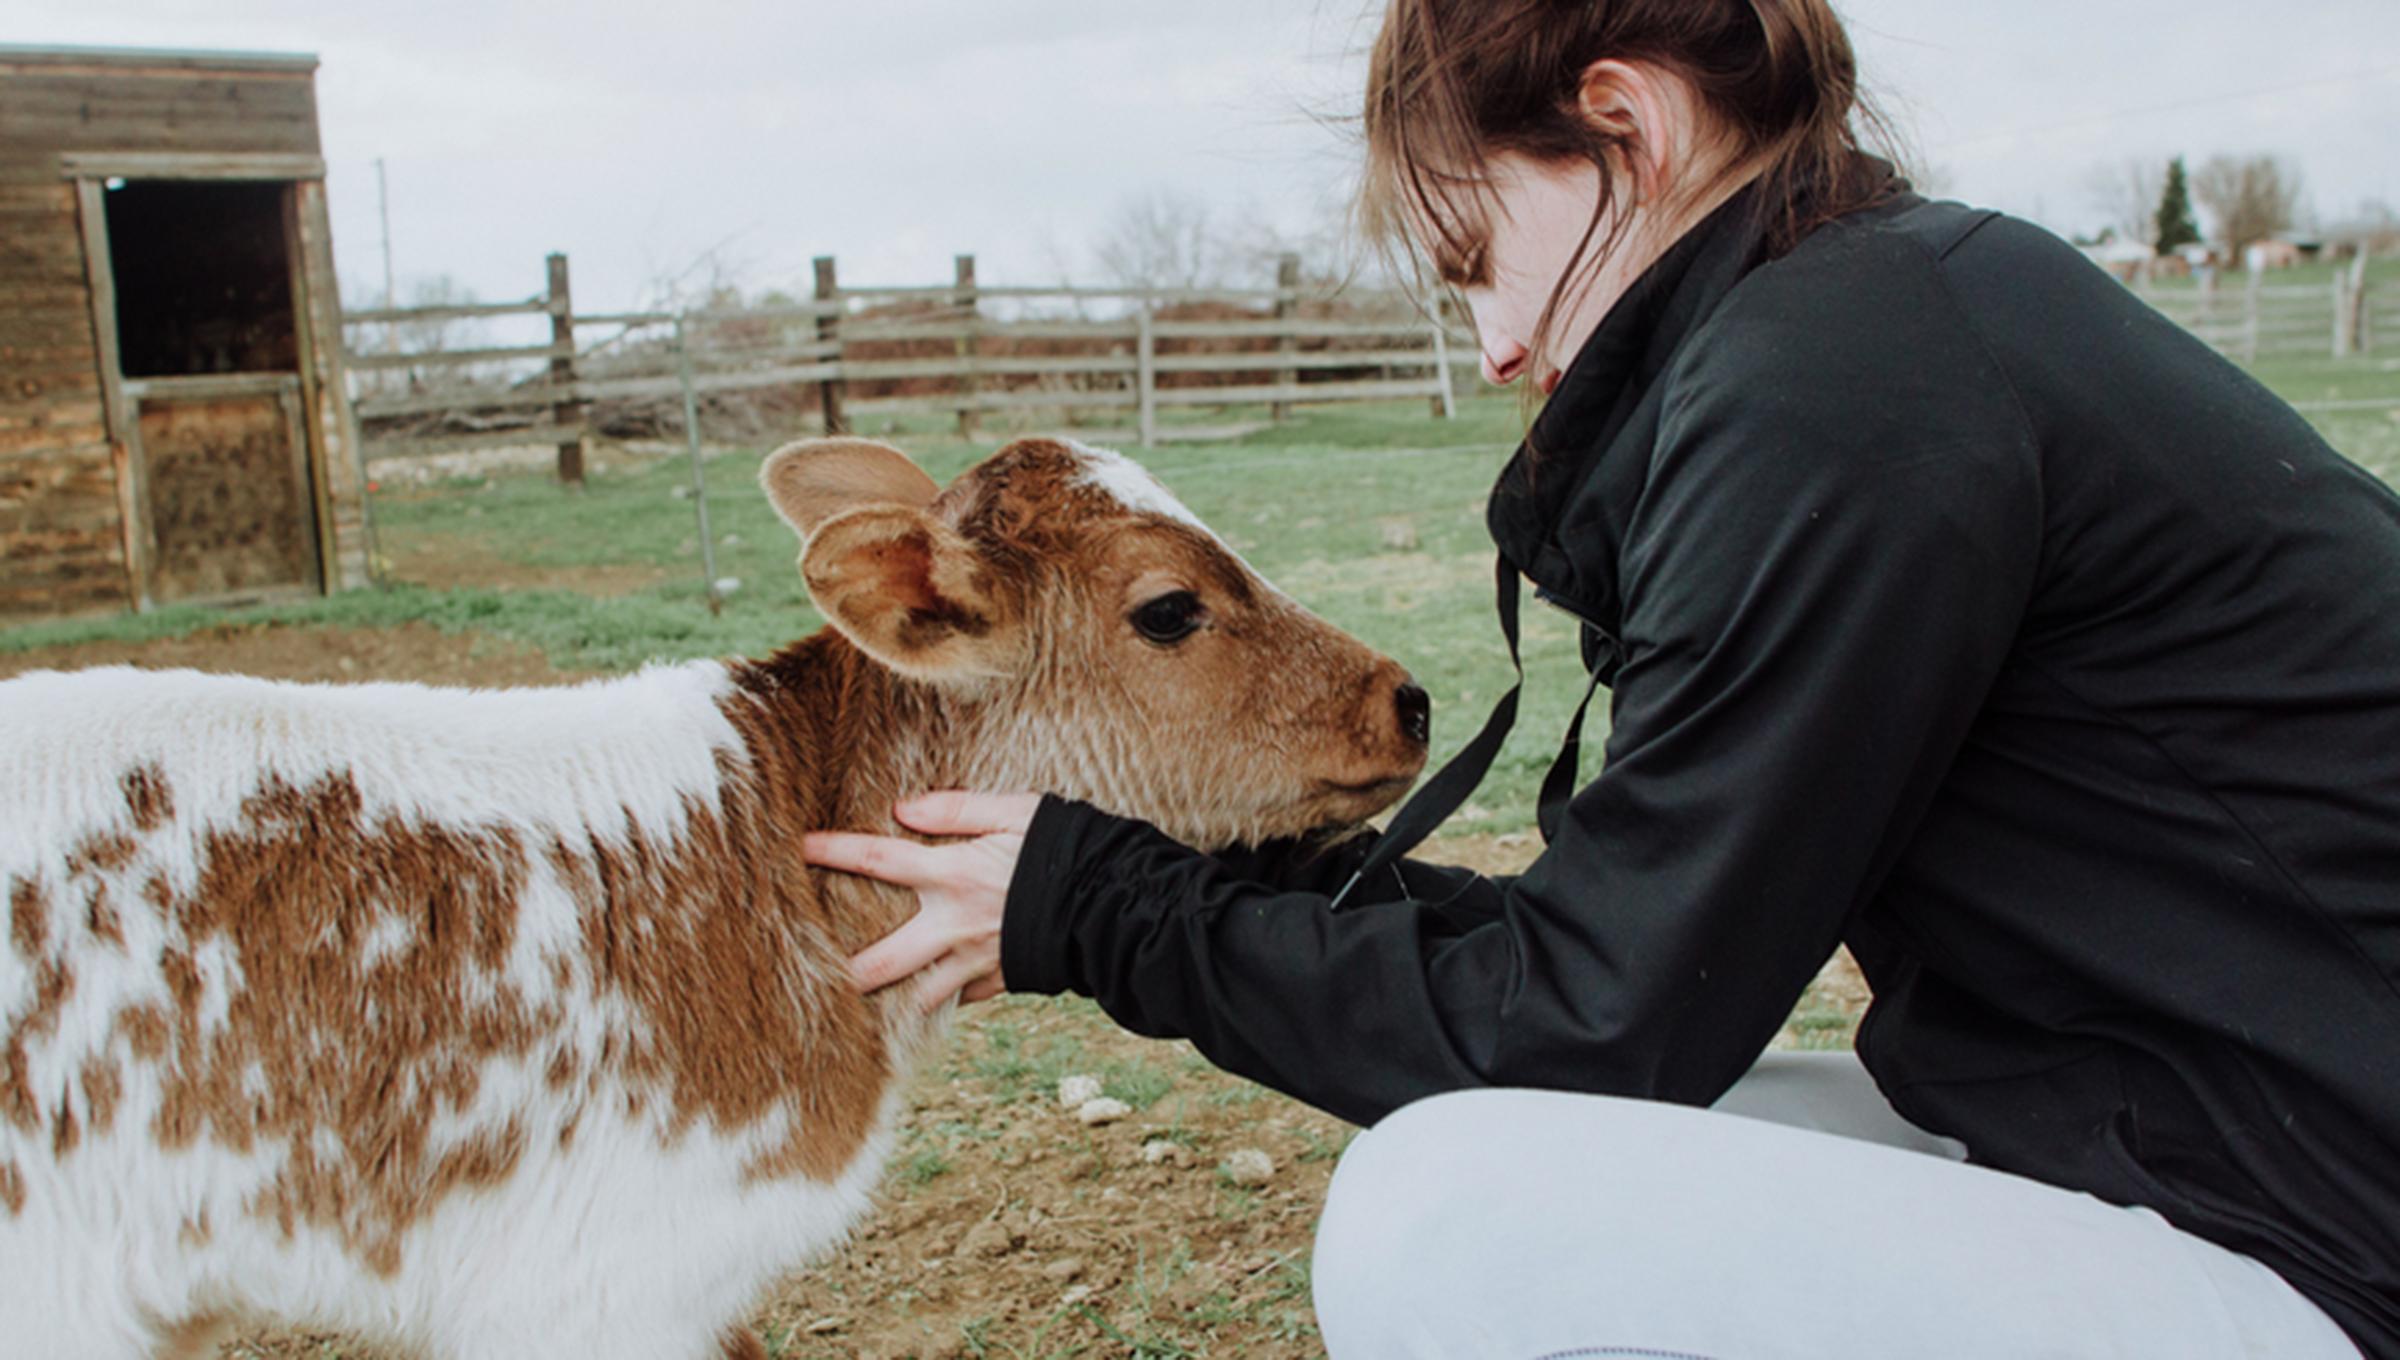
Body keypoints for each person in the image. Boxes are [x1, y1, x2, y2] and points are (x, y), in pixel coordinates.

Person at [801, 2, 2400, 1356]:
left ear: (1623, 129)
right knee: (1502, 1149)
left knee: (1446, 1219)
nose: (1496, 345)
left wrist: (1112, 913)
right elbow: (1624, 964)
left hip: (2330, 1225)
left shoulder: (1840, 386)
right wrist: (1214, 869)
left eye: (1473, 253)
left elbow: (1593, 1021)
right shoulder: (1885, 317)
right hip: (2190, 1131)